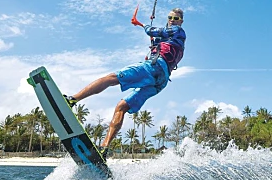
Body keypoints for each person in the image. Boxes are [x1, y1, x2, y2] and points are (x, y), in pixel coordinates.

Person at [64, 8, 186, 159]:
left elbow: (152, 31)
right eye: (170, 17)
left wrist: (142, 25)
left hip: (155, 68)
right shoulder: (174, 39)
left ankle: (72, 100)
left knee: (111, 78)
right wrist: (155, 46)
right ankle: (104, 148)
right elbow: (163, 43)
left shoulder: (177, 31)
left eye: (176, 18)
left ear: (181, 21)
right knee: (121, 107)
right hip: (160, 81)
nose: (172, 19)